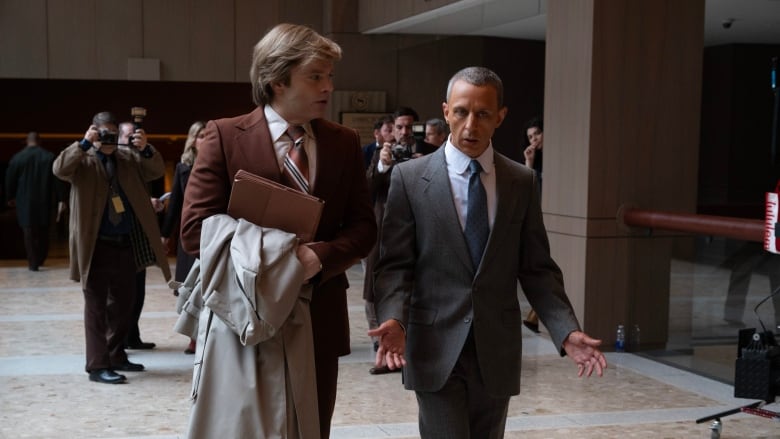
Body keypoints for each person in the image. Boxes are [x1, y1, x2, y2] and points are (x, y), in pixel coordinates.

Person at [369, 66, 606, 438]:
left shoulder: (520, 181)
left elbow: (537, 268)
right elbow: (396, 265)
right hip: (434, 346)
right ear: (446, 111)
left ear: (500, 117)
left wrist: (564, 330)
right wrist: (395, 320)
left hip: (495, 349)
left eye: (482, 114)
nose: (470, 125)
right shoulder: (410, 180)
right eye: (461, 112)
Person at [179, 23, 376, 438]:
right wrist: (276, 256)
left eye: (330, 76)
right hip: (244, 313)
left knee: (312, 426)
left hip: (319, 310)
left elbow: (363, 228)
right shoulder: (225, 135)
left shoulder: (343, 141)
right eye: (316, 76)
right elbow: (194, 230)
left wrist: (318, 258)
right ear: (277, 80)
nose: (329, 87)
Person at [52, 111, 172, 385]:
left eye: (113, 135)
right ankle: (97, 365)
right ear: (93, 131)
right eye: (103, 133)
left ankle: (116, 354)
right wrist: (83, 144)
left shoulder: (128, 158)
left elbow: (154, 170)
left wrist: (146, 148)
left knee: (125, 304)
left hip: (125, 243)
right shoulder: (83, 160)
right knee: (95, 306)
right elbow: (59, 169)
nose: (109, 139)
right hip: (96, 245)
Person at [363, 106, 435, 375]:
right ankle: (381, 348)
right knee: (374, 287)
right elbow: (367, 189)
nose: (405, 132)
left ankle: (409, 349)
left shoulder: (430, 152)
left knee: (417, 289)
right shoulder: (382, 153)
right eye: (399, 127)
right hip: (384, 231)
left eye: (410, 127)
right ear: (391, 128)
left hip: (423, 231)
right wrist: (383, 164)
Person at [161, 120, 205, 354]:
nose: (204, 139)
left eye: (208, 135)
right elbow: (175, 203)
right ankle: (192, 337)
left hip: (212, 233)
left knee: (208, 286)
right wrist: (165, 233)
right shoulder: (183, 167)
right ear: (193, 139)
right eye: (200, 135)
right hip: (189, 234)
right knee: (189, 287)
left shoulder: (220, 163)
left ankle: (205, 336)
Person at [117, 121, 158, 350]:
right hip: (120, 234)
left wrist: (145, 148)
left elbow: (157, 169)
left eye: (136, 136)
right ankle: (120, 339)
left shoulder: (139, 159)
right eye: (128, 136)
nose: (132, 140)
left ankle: (132, 335)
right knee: (123, 293)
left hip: (137, 235)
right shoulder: (112, 160)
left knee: (138, 291)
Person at [5, 132, 64, 271]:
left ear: (26, 141)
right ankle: (41, 258)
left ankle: (33, 263)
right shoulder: (49, 157)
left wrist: (10, 197)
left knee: (29, 232)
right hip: (45, 200)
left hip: (24, 201)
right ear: (40, 141)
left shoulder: (17, 158)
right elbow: (58, 179)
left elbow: (10, 179)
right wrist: (62, 198)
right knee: (44, 231)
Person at [521, 116, 544, 333]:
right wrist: (529, 163)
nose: (534, 139)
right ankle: (534, 315)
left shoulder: (556, 158)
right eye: (530, 137)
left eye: (537, 133)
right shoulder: (534, 161)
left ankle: (536, 315)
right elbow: (531, 192)